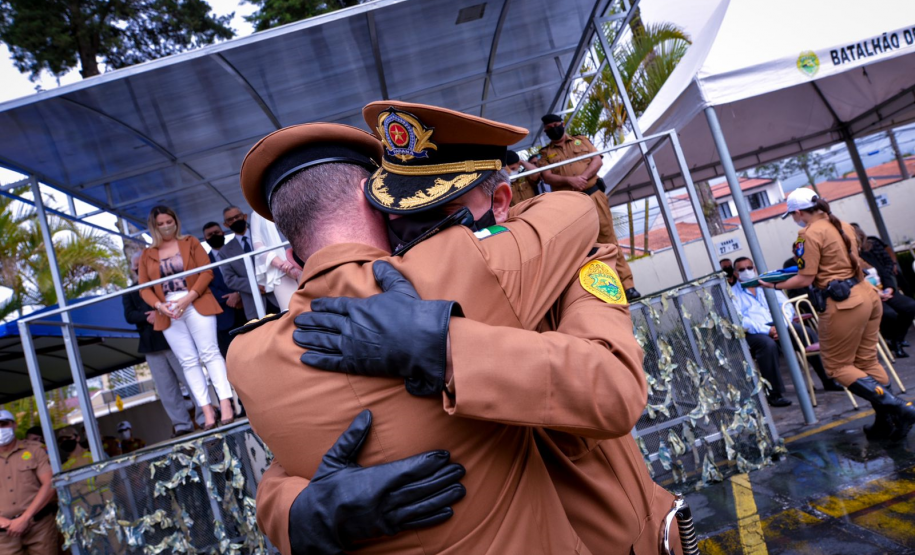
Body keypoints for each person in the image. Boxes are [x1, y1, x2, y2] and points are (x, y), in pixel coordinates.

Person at [237, 103, 676, 554]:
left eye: (442, 219)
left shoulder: (565, 264)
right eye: (400, 225)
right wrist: (295, 510)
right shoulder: (385, 307)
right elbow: (314, 441)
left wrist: (445, 345)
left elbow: (613, 389)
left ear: (500, 203)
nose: (421, 244)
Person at [760, 187, 915, 441]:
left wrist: (772, 285)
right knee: (867, 361)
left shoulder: (807, 234)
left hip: (844, 303)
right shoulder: (842, 224)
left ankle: (900, 409)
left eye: (793, 215)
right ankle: (886, 421)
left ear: (798, 212)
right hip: (867, 295)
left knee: (837, 367)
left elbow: (805, 278)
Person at [138, 205, 235, 430]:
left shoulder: (190, 242)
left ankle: (225, 403)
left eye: (168, 222)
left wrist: (189, 297)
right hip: (168, 309)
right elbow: (144, 288)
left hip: (195, 300)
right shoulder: (147, 254)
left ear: (176, 221)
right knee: (188, 361)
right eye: (160, 224)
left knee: (210, 353)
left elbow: (207, 271)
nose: (165, 227)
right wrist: (159, 306)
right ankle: (207, 410)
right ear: (153, 227)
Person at [537, 113, 640, 300]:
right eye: (549, 128)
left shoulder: (581, 141)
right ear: (545, 131)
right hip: (571, 203)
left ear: (562, 124)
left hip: (593, 195)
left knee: (609, 239)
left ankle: (628, 286)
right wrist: (570, 181)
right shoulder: (545, 153)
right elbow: (547, 176)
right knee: (587, 246)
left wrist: (582, 178)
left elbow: (597, 159)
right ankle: (608, 291)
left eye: (555, 125)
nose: (553, 129)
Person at [731, 256, 842, 406]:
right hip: (755, 331)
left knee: (806, 332)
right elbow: (740, 320)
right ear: (736, 273)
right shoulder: (732, 294)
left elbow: (786, 306)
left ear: (755, 269)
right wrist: (768, 330)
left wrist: (781, 326)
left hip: (779, 323)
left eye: (749, 268)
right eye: (742, 269)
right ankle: (774, 394)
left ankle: (828, 380)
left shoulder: (766, 283)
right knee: (767, 345)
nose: (747, 271)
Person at [123, 251, 199, 437]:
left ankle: (205, 416)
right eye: (137, 267)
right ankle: (181, 424)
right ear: (133, 269)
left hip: (174, 338)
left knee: (191, 378)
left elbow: (178, 302)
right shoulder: (130, 292)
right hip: (151, 345)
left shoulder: (166, 283)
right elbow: (129, 316)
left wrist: (159, 313)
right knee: (166, 389)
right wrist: (147, 316)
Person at [852, 223, 915, 359]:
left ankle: (897, 340)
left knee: (910, 306)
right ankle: (892, 340)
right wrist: (876, 292)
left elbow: (884, 273)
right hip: (868, 296)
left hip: (885, 290)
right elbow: (855, 283)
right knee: (888, 314)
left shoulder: (867, 255)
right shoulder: (847, 262)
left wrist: (889, 288)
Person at [0, 410, 57, 554]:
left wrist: (25, 518)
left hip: (39, 527)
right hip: (3, 535)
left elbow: (49, 484)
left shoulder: (34, 450)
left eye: (4, 424)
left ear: (14, 425)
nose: (0, 429)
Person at [216, 206, 279, 321]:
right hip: (254, 305)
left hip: (277, 294)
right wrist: (255, 285)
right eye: (230, 220)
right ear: (225, 224)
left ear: (245, 216)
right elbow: (229, 279)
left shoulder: (263, 236)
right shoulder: (225, 252)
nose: (235, 221)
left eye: (237, 217)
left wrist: (266, 281)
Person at [202, 222, 246, 357]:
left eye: (216, 232)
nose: (214, 236)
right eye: (210, 235)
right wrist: (229, 298)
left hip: (247, 306)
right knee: (234, 356)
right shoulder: (204, 262)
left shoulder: (238, 250)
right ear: (205, 239)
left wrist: (239, 294)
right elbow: (206, 287)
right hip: (224, 315)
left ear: (223, 232)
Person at [249, 211, 300, 310]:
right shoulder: (257, 213)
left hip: (304, 261)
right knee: (292, 310)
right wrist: (282, 265)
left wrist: (294, 258)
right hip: (279, 270)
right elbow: (257, 244)